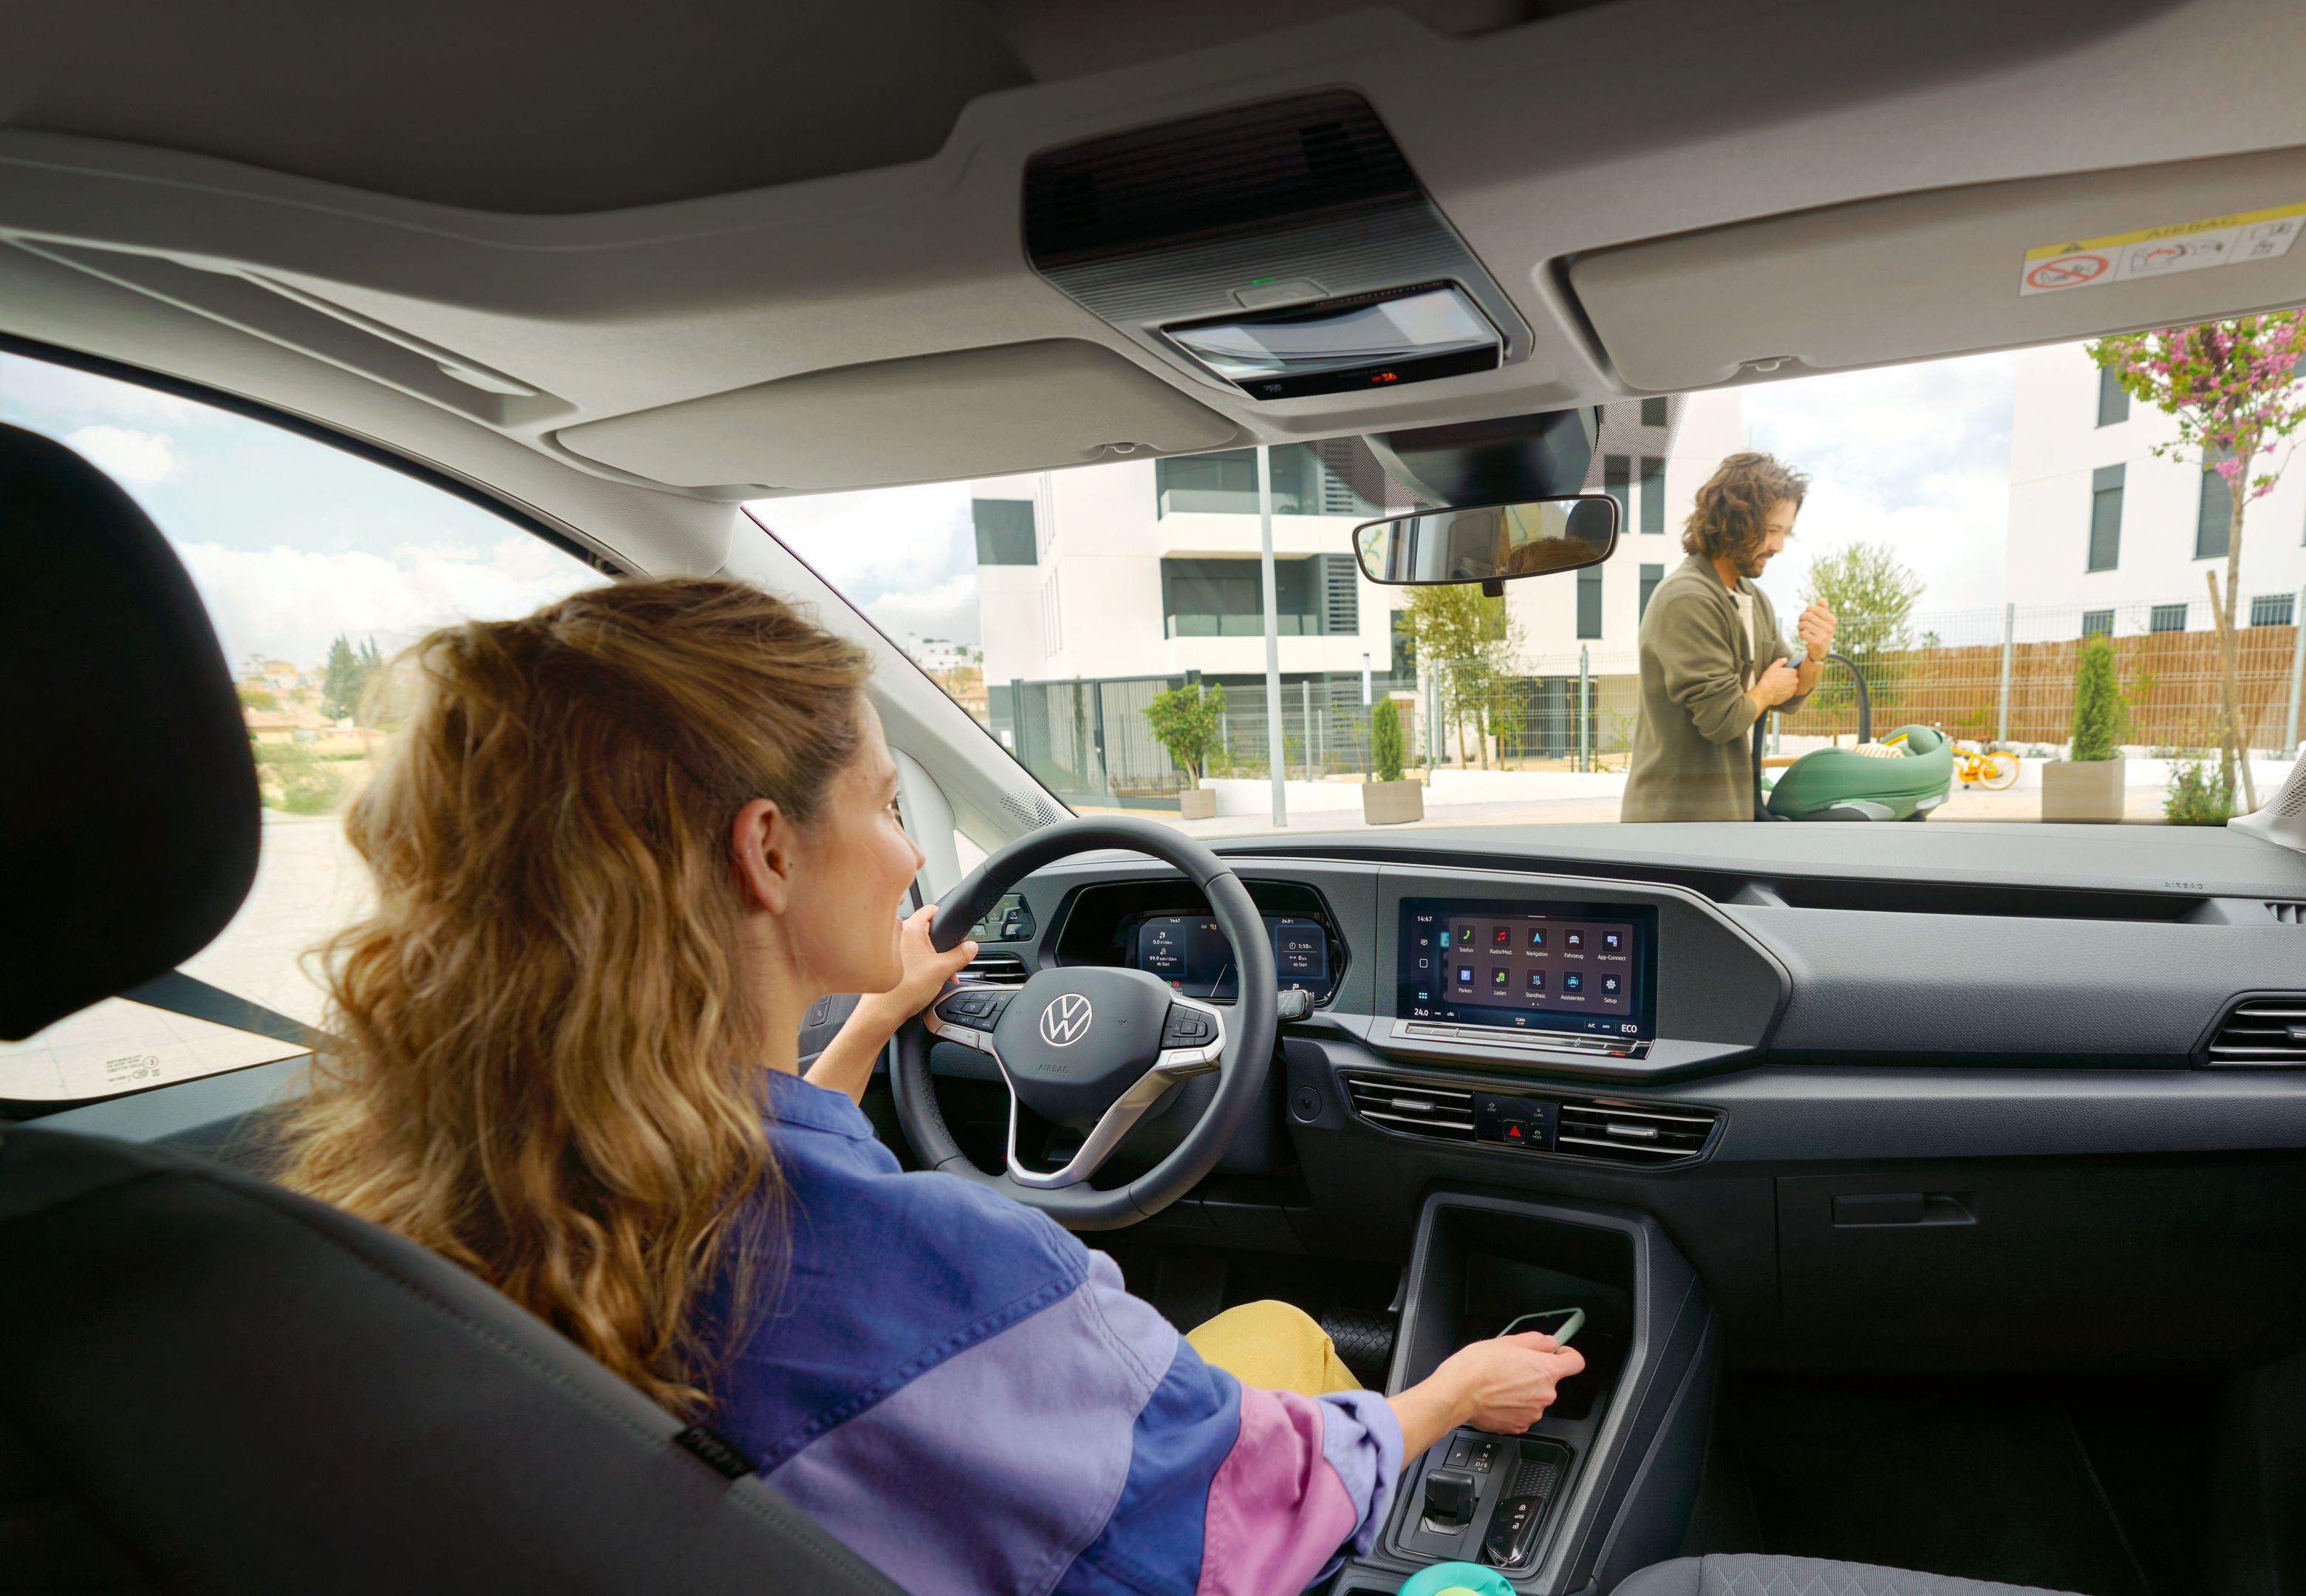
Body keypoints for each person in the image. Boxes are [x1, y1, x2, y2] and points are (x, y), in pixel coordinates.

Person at [277, 579, 1581, 1596]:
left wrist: (883, 1016)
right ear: (768, 850)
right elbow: (1234, 1517)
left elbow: (768, 1145)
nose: (910, 853)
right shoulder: (963, 1283)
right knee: (1288, 1336)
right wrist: (1452, 1395)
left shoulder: (429, 1195)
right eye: (889, 802)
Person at [1623, 452, 1837, 821]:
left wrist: (1816, 654)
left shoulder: (1753, 598)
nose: (1780, 546)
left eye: (1784, 532)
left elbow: (1790, 695)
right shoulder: (1688, 599)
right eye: (1772, 530)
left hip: (1726, 816)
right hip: (1674, 823)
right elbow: (1722, 720)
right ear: (1734, 522)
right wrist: (1766, 691)